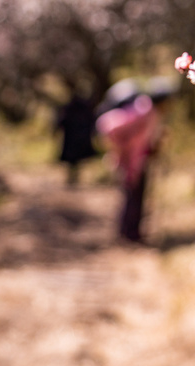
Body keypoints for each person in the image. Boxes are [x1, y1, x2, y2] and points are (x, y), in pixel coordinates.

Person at [96, 78, 175, 243]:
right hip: (130, 161)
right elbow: (108, 125)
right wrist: (121, 146)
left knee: (136, 195)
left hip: (138, 161)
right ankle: (129, 233)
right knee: (132, 195)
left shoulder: (150, 112)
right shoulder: (143, 110)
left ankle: (132, 232)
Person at [54, 91, 98, 187]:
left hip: (71, 139)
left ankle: (73, 177)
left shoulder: (70, 108)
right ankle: (73, 177)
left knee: (73, 160)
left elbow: (61, 122)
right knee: (75, 160)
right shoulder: (84, 108)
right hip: (78, 138)